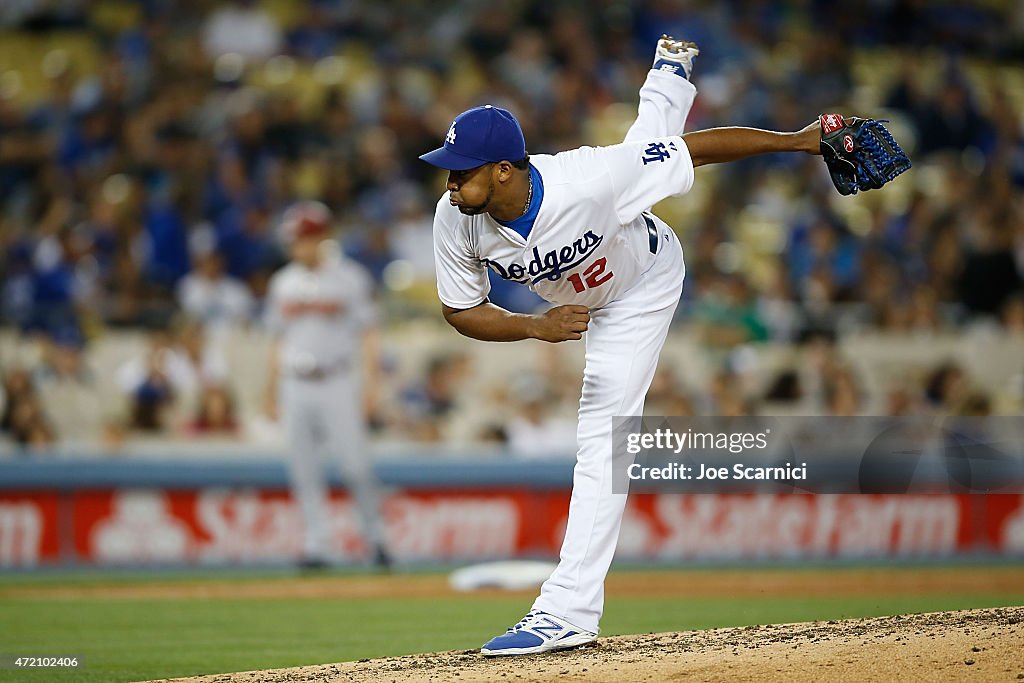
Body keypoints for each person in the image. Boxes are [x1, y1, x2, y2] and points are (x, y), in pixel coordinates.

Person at [420, 36, 838, 655]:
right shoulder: (455, 218)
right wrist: (534, 326)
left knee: (602, 439)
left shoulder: (586, 180)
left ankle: (566, 612)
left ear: (503, 169)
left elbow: (695, 150)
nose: (450, 182)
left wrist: (798, 141)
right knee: (646, 142)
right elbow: (460, 312)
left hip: (643, 279)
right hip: (581, 299)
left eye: (463, 170)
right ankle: (669, 72)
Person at [263, 200, 390, 569]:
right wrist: (269, 390)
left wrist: (371, 385)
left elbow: (369, 335)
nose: (296, 245)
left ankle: (377, 538)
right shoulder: (282, 282)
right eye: (293, 239)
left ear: (322, 237)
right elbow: (275, 340)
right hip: (295, 381)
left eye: (303, 238)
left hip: (337, 379)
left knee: (355, 466)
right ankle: (317, 544)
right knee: (303, 469)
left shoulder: (349, 277)